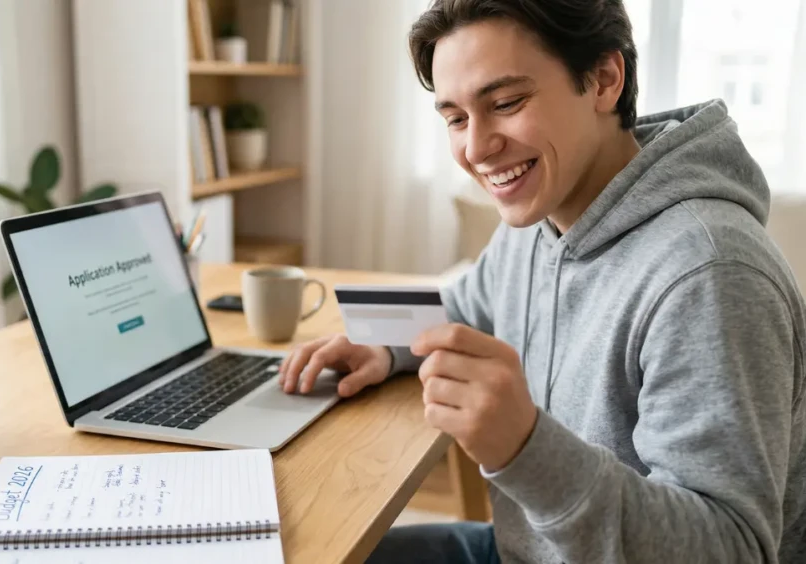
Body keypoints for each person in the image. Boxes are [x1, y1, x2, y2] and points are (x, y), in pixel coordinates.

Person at [278, 0, 806, 562]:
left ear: (604, 79)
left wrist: (525, 448)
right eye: (455, 118)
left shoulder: (708, 275)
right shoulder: (543, 214)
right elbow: (468, 303)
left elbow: (731, 549)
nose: (476, 149)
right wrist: (382, 344)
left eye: (506, 103)